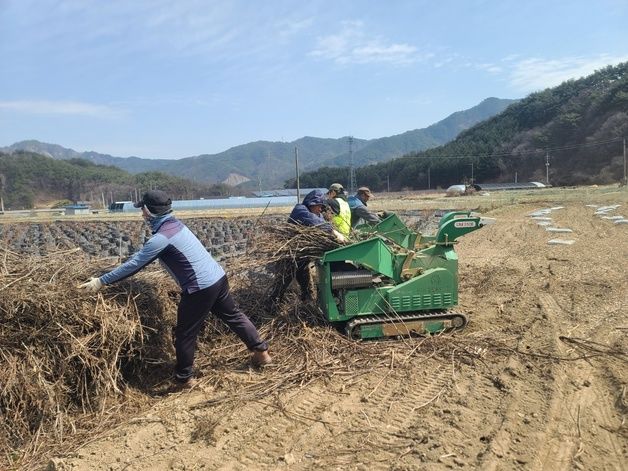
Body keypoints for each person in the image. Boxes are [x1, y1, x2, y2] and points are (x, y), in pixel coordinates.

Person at [78, 190, 271, 387]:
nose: (141, 214)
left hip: (200, 288)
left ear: (149, 211)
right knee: (233, 315)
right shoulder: (176, 225)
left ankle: (183, 378)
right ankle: (261, 352)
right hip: (218, 277)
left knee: (185, 333)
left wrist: (100, 281)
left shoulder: (161, 238)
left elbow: (134, 265)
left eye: (142, 209)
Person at [269, 189, 343, 304]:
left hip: (302, 258)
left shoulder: (315, 213)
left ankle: (306, 306)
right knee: (280, 287)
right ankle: (270, 307)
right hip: (290, 257)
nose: (320, 209)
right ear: (311, 203)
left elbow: (321, 222)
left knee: (307, 287)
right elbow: (316, 223)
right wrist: (333, 231)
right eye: (318, 206)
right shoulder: (300, 210)